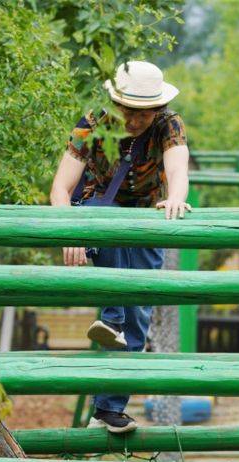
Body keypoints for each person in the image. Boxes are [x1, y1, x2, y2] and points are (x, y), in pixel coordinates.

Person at [48, 61, 191, 433]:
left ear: (156, 109)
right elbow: (61, 188)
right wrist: (71, 233)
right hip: (98, 213)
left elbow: (178, 167)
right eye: (128, 109)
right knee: (106, 228)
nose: (134, 119)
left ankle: (108, 409)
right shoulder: (93, 121)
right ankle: (110, 319)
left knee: (138, 318)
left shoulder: (168, 124)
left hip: (146, 221)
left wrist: (176, 197)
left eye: (143, 113)